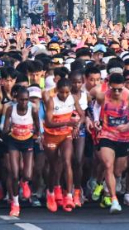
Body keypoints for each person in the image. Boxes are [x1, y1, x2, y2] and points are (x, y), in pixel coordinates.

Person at [91, 72, 129, 214]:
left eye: (120, 89)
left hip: (123, 136)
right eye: (114, 89)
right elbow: (96, 107)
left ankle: (105, 188)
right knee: (108, 165)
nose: (117, 92)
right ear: (109, 86)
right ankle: (114, 200)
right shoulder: (102, 96)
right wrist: (96, 120)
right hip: (107, 134)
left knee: (118, 170)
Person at [43, 77, 83, 212]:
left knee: (67, 162)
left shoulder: (73, 98)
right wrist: (67, 122)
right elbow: (48, 122)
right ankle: (50, 193)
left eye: (67, 92)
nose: (64, 95)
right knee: (54, 167)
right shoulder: (51, 101)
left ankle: (69, 196)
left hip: (66, 135)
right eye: (61, 92)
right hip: (51, 136)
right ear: (57, 90)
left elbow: (82, 115)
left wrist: (77, 125)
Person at [2, 85, 40, 218]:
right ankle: (15, 203)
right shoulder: (10, 109)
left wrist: (36, 135)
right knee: (14, 173)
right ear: (16, 99)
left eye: (26, 100)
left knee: (28, 174)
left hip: (27, 141)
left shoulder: (33, 110)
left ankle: (24, 182)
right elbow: (5, 128)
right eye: (21, 100)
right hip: (13, 142)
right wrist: (9, 129)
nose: (24, 102)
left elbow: (38, 126)